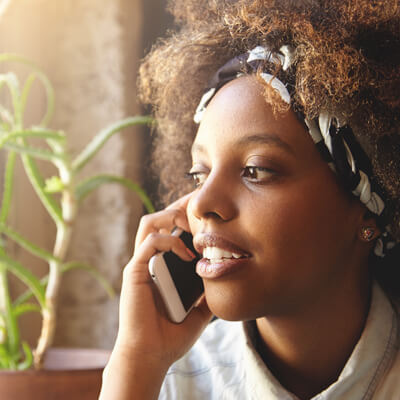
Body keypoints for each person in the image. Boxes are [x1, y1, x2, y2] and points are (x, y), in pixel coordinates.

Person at [99, 1, 400, 399]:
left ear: (366, 208)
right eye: (198, 174)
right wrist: (137, 364)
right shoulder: (163, 380)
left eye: (256, 170)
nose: (200, 203)